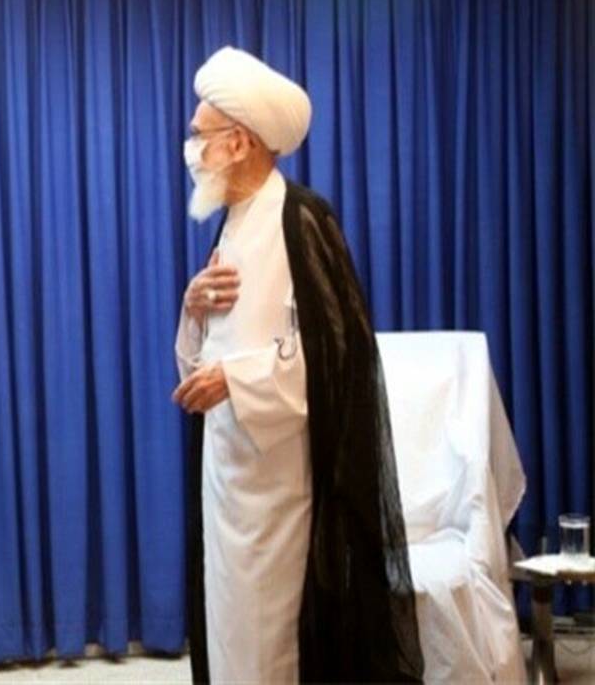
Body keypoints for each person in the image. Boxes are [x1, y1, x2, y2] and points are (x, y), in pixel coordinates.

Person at [172, 46, 423, 682]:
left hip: (280, 485)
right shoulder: (231, 224)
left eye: (201, 135)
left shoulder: (301, 218)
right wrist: (192, 309)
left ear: (240, 143)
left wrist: (235, 380)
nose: (191, 149)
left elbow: (337, 351)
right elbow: (214, 345)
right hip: (225, 474)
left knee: (274, 640)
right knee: (227, 628)